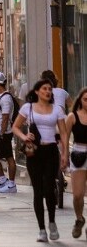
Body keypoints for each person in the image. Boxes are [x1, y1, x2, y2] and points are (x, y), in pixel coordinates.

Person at [11, 78, 69, 242]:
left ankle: (51, 222)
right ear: (37, 91)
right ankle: (42, 229)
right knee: (37, 190)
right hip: (34, 152)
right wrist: (24, 136)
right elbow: (15, 126)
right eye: (44, 89)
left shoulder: (57, 109)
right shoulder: (27, 108)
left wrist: (65, 153)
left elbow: (64, 133)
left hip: (50, 150)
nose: (48, 91)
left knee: (49, 188)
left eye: (49, 89)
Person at [0, 71, 18, 194]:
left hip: (3, 133)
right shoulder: (0, 97)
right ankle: (2, 180)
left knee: (9, 157)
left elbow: (5, 117)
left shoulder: (6, 98)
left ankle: (11, 184)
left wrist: (1, 133)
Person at [65, 87, 87, 239]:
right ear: (80, 100)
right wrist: (64, 155)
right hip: (79, 154)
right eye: (86, 99)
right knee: (78, 194)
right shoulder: (72, 117)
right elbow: (65, 137)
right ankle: (79, 219)